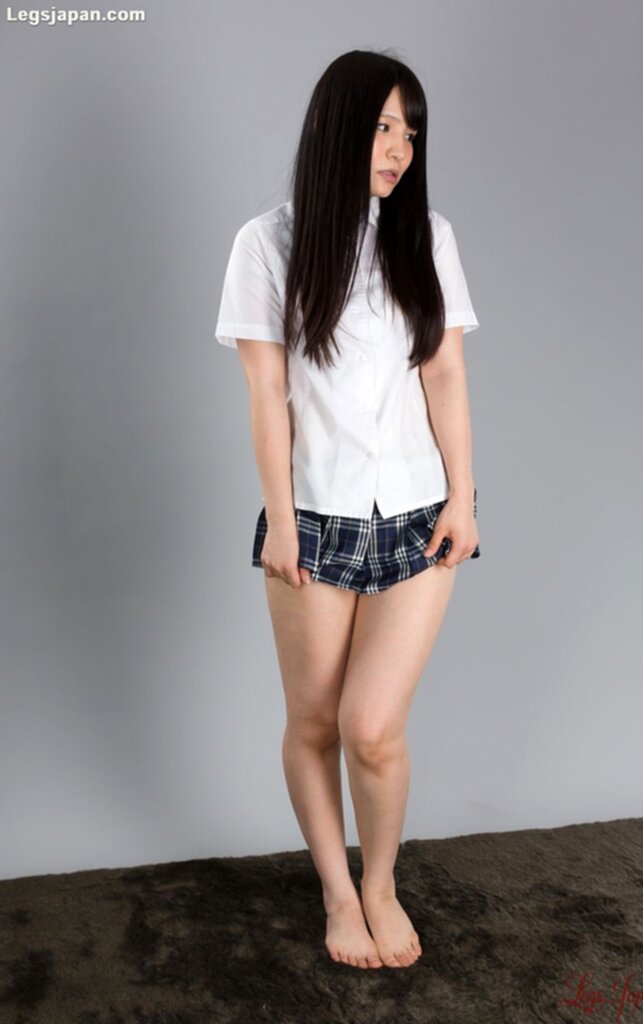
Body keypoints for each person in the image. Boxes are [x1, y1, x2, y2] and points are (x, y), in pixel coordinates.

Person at [214, 49, 481, 971]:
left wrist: (464, 498)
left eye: (412, 131)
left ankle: (381, 883)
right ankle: (337, 892)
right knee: (315, 723)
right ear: (335, 127)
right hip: (315, 520)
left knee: (372, 727)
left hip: (418, 515)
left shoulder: (428, 237)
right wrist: (281, 520)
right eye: (383, 126)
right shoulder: (266, 245)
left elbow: (445, 373)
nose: (401, 147)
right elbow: (265, 394)